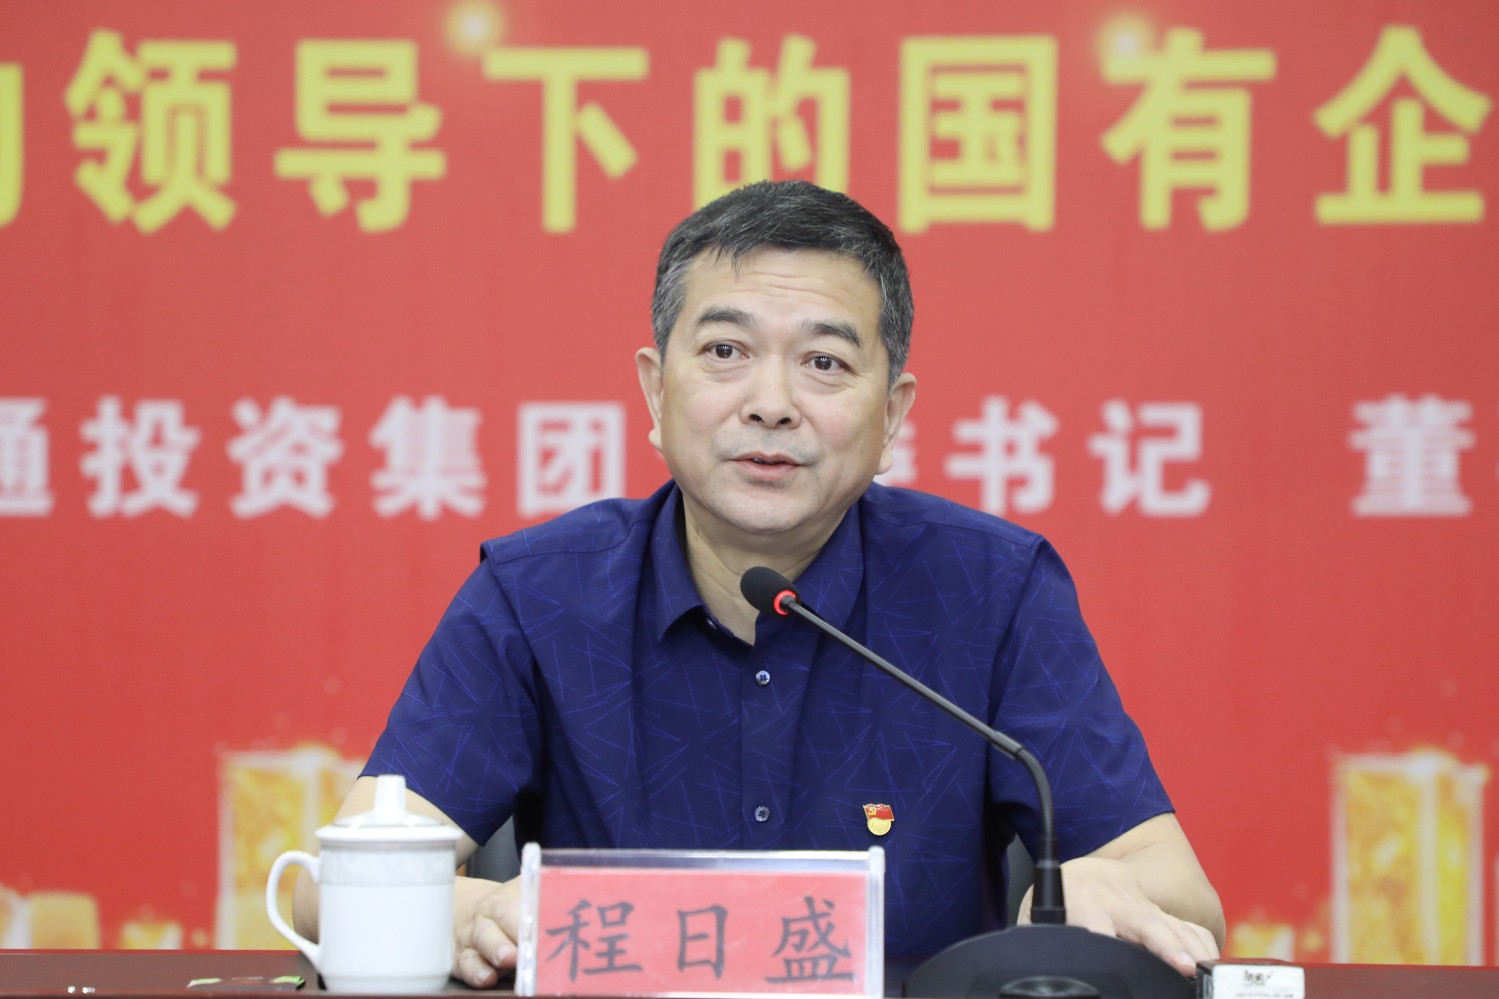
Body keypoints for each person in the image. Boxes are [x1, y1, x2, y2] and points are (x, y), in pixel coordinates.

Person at [294, 180, 1224, 987]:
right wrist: (464, 910)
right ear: (655, 391)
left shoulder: (988, 589)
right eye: (725, 352)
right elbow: (321, 886)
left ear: (891, 413)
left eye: (824, 362)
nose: (771, 403)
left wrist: (1105, 884)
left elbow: (1183, 893)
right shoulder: (539, 595)